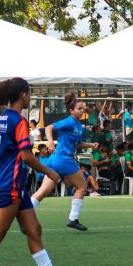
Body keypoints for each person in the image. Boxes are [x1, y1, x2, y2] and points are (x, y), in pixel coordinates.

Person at [0, 77, 75, 266]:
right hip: (10, 183)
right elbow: (26, 156)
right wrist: (50, 172)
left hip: (11, 183)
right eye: (30, 93)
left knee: (33, 229)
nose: (30, 97)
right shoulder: (18, 120)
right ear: (24, 95)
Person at [30, 92, 99, 231]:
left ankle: (24, 214)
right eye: (79, 109)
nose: (82, 111)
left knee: (43, 191)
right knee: (82, 187)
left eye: (83, 109)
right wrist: (50, 142)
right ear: (71, 110)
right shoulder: (69, 121)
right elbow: (49, 128)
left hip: (54, 161)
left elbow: (77, 144)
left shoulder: (79, 126)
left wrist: (90, 145)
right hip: (64, 160)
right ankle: (73, 218)